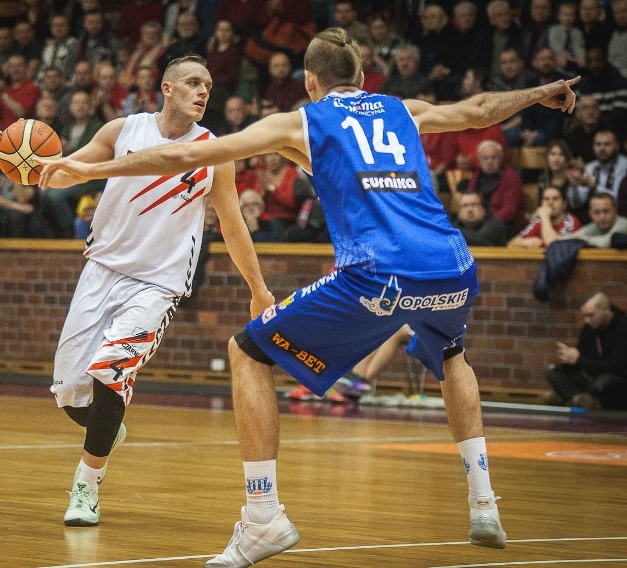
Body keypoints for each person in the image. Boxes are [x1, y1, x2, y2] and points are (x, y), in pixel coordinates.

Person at [37, 28, 580, 565]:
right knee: (452, 354)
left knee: (247, 352)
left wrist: (92, 169)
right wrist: (539, 92)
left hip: (375, 270)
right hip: (452, 265)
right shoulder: (400, 108)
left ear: (310, 81)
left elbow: (183, 159)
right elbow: (480, 108)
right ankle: (484, 504)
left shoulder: (299, 120)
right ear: (364, 77)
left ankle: (262, 518)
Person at [0, 54, 273, 528]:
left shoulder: (213, 151)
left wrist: (259, 290)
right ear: (166, 89)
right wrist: (24, 160)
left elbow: (232, 223)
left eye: (207, 85)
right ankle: (107, 424)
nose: (203, 91)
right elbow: (65, 172)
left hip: (158, 283)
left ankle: (86, 485)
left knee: (110, 371)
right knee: (68, 394)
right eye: (192, 82)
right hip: (101, 270)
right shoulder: (121, 130)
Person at [545, 291, 627, 410]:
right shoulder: (588, 329)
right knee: (553, 373)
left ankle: (570, 397)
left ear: (606, 310)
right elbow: (580, 362)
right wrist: (568, 362)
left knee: (605, 382)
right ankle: (580, 399)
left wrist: (579, 360)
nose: (587, 320)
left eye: (591, 315)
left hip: (615, 380)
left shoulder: (623, 329)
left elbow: (615, 367)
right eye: (585, 315)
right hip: (591, 378)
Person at [508, 186, 581, 248]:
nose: (550, 203)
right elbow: (511, 244)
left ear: (564, 204)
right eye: (546, 199)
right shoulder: (539, 221)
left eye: (555, 199)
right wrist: (526, 243)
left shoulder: (571, 222)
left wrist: (544, 216)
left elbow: (554, 247)